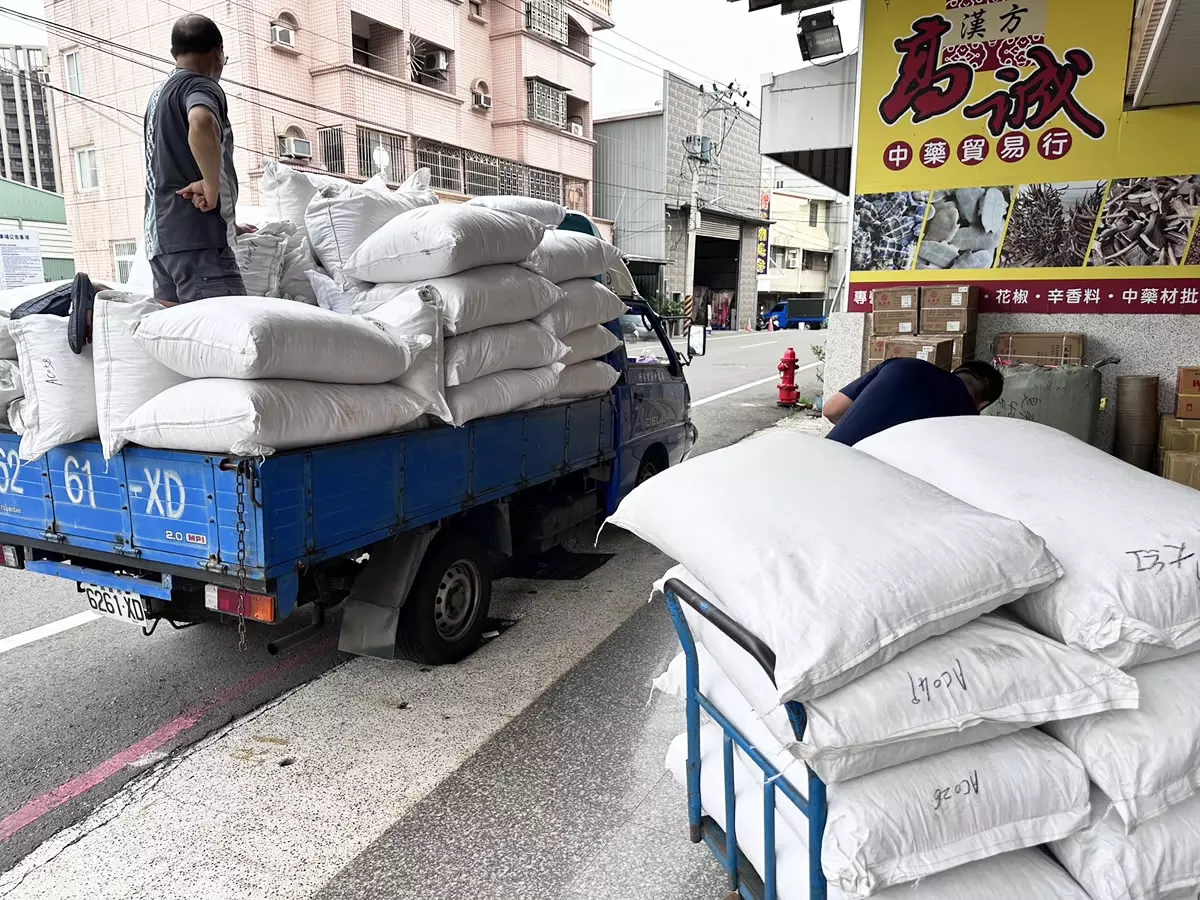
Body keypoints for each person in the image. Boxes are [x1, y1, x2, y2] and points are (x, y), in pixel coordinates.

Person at [143, 14, 252, 305]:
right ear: (218, 51)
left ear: (173, 53)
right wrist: (211, 189)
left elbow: (173, 167)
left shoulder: (158, 97)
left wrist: (228, 223)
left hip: (161, 242)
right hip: (197, 241)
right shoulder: (200, 86)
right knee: (228, 334)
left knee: (180, 340)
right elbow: (202, 122)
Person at [824, 358, 1004, 446]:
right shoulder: (966, 424)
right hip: (868, 495)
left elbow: (832, 410)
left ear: (955, 372)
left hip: (822, 461)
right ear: (983, 405)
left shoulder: (901, 365)